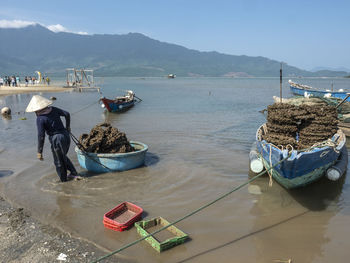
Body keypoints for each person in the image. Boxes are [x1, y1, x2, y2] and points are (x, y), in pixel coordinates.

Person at [26, 95, 78, 182]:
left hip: (57, 139)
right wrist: (68, 127)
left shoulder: (40, 119)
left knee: (58, 161)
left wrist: (39, 151)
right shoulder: (53, 109)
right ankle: (73, 173)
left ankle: (64, 182)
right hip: (65, 135)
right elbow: (67, 114)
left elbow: (41, 136)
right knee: (62, 156)